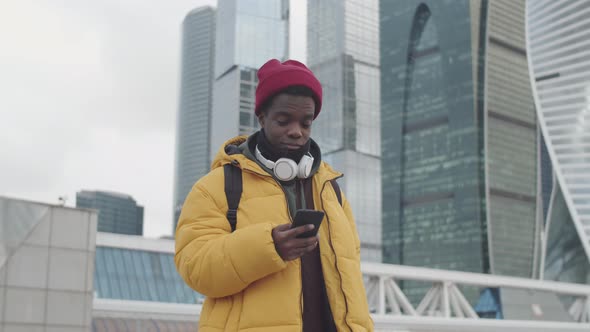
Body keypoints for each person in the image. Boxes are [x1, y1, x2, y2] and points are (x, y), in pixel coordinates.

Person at [175, 59, 373, 332]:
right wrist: (267, 247)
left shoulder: (332, 190)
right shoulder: (217, 186)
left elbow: (351, 279)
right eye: (283, 120)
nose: (296, 131)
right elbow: (195, 267)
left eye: (306, 123)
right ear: (262, 118)